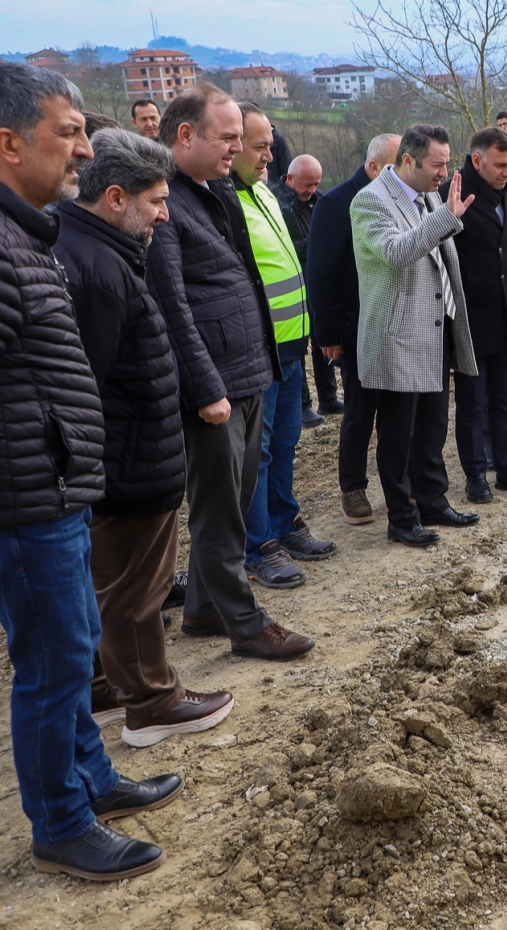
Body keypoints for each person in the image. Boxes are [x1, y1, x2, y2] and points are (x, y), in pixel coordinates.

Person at [0, 62, 176, 880]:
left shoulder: (18, 230)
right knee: (51, 667)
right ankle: (62, 825)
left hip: (46, 490)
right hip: (10, 503)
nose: (84, 150)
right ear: (9, 143)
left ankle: (93, 781)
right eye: (69, 133)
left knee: (72, 655)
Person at [53, 128, 235, 748]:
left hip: (131, 458)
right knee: (136, 592)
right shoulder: (98, 270)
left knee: (118, 586)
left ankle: (106, 685)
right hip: (127, 465)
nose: (165, 214)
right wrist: (110, 468)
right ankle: (153, 704)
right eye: (156, 201)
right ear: (115, 197)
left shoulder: (99, 248)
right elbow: (89, 388)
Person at [150, 86, 315, 661]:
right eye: (227, 138)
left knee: (234, 502)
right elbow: (171, 305)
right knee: (220, 511)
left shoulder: (213, 191)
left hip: (248, 372)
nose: (236, 148)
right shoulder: (165, 203)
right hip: (215, 387)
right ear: (185, 135)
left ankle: (202, 609)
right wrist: (204, 387)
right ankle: (246, 624)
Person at [350, 125, 480, 546]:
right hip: (397, 337)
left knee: (432, 426)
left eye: (447, 162)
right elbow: (396, 253)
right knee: (398, 435)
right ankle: (402, 519)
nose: (445, 172)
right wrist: (446, 218)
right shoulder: (369, 201)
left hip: (435, 328)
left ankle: (432, 501)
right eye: (437, 164)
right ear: (408, 160)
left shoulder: (429, 194)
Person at [232, 104, 336, 584]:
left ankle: (283, 521)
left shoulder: (263, 193)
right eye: (260, 147)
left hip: (291, 346)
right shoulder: (225, 201)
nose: (269, 156)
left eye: (269, 146)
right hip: (259, 351)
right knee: (259, 451)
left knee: (286, 443)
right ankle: (259, 546)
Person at [444, 128, 507, 502]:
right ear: (477, 160)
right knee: (473, 402)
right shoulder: (453, 195)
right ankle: (475, 475)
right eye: (501, 165)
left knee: (505, 398)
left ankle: (506, 468)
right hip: (470, 317)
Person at [308, 134, 397, 525]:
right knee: (361, 409)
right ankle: (353, 487)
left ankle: (396, 481)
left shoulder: (398, 198)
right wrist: (328, 334)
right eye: (396, 165)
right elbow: (321, 273)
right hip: (356, 325)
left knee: (396, 410)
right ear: (374, 167)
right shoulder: (336, 203)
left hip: (395, 322)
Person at [275, 153, 342, 425]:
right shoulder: (277, 203)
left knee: (322, 340)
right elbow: (285, 248)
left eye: (316, 184)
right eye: (307, 184)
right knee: (299, 347)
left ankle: (328, 397)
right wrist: (319, 244)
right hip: (291, 286)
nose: (312, 190)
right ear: (290, 178)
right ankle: (303, 405)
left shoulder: (320, 201)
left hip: (318, 282)